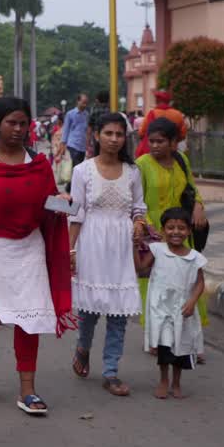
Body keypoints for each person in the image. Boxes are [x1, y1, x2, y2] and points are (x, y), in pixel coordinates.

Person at [0, 97, 74, 417]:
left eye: (23, 123)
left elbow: (50, 204)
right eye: (11, 123)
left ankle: (27, 389)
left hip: (29, 249)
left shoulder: (40, 165)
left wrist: (63, 202)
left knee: (29, 319)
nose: (18, 129)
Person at [69, 111, 146, 397]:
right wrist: (71, 249)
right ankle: (83, 347)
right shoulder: (82, 171)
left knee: (118, 312)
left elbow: (139, 207)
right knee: (90, 309)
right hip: (91, 242)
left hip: (121, 246)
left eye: (119, 134)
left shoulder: (133, 172)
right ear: (96, 135)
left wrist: (138, 223)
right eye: (108, 133)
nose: (114, 139)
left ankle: (111, 371)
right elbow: (76, 214)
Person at [136, 117, 210, 336]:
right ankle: (155, 335)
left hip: (180, 231)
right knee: (154, 285)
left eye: (160, 141)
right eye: (152, 141)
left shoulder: (181, 161)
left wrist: (198, 206)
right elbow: (137, 202)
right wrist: (151, 231)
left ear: (173, 142)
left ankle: (190, 334)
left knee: (188, 279)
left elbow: (191, 188)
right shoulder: (142, 165)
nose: (155, 146)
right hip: (155, 236)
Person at [135, 207, 206, 400]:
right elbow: (141, 269)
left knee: (180, 346)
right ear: (163, 229)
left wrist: (192, 302)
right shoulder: (157, 250)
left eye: (181, 228)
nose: (176, 232)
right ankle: (163, 381)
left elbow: (200, 283)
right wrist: (134, 246)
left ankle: (176, 382)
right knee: (165, 345)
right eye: (171, 227)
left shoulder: (194, 257)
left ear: (189, 230)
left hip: (183, 309)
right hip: (161, 308)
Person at [133, 89, 188, 159]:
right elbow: (183, 134)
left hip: (154, 154)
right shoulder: (178, 114)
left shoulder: (152, 113)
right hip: (172, 152)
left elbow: (142, 133)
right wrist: (172, 142)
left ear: (157, 101)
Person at [61, 93, 90, 167]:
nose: (85, 105)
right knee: (76, 166)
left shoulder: (86, 115)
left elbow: (87, 130)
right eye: (83, 103)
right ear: (78, 101)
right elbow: (66, 129)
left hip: (82, 146)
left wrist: (88, 144)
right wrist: (63, 144)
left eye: (86, 103)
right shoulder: (70, 114)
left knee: (80, 166)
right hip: (73, 145)